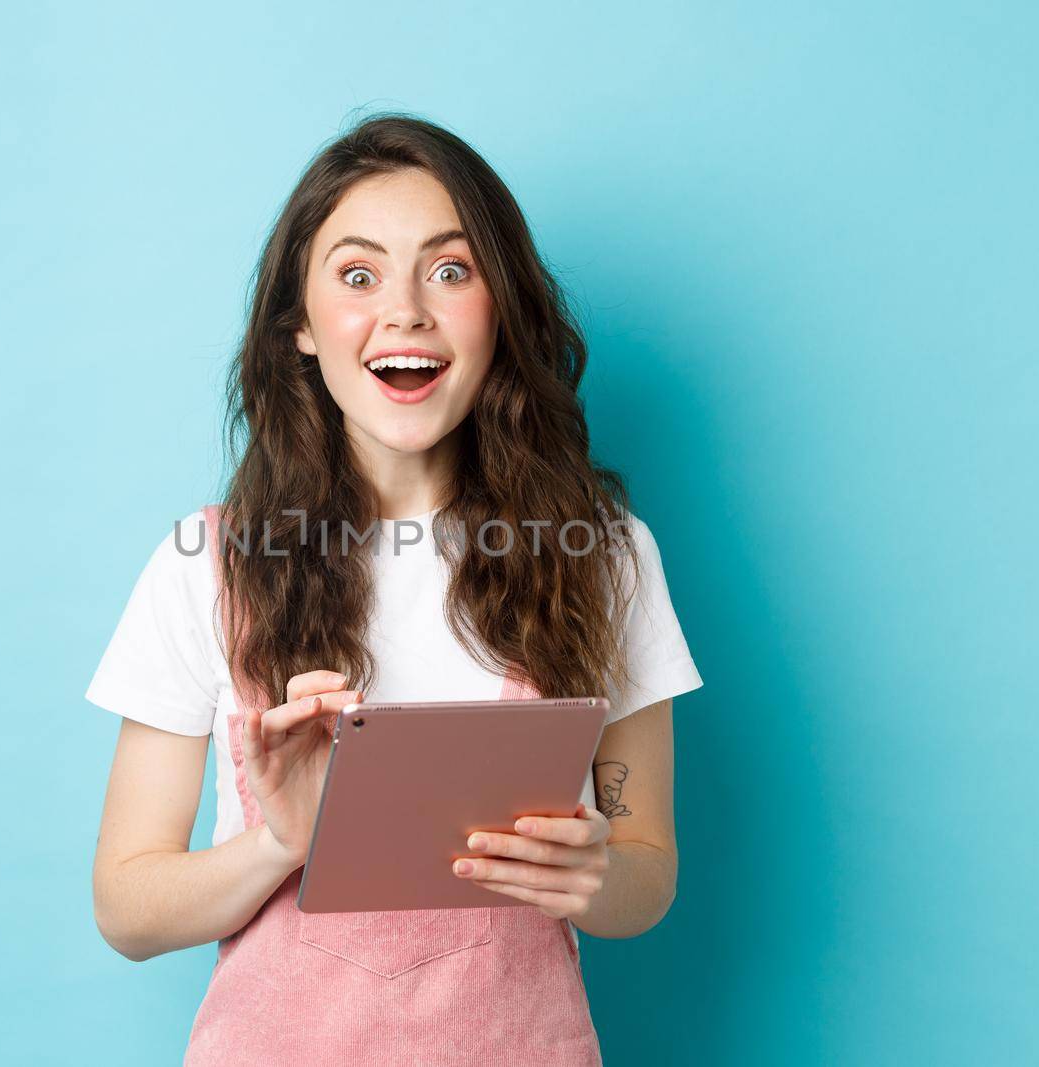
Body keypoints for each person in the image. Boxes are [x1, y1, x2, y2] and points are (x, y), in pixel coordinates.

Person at [84, 112, 703, 1065]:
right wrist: (279, 842)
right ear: (299, 324)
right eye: (359, 274)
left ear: (504, 309)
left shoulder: (605, 553)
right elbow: (126, 908)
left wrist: (593, 874)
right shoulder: (205, 563)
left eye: (451, 270)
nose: (406, 311)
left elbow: (646, 876)